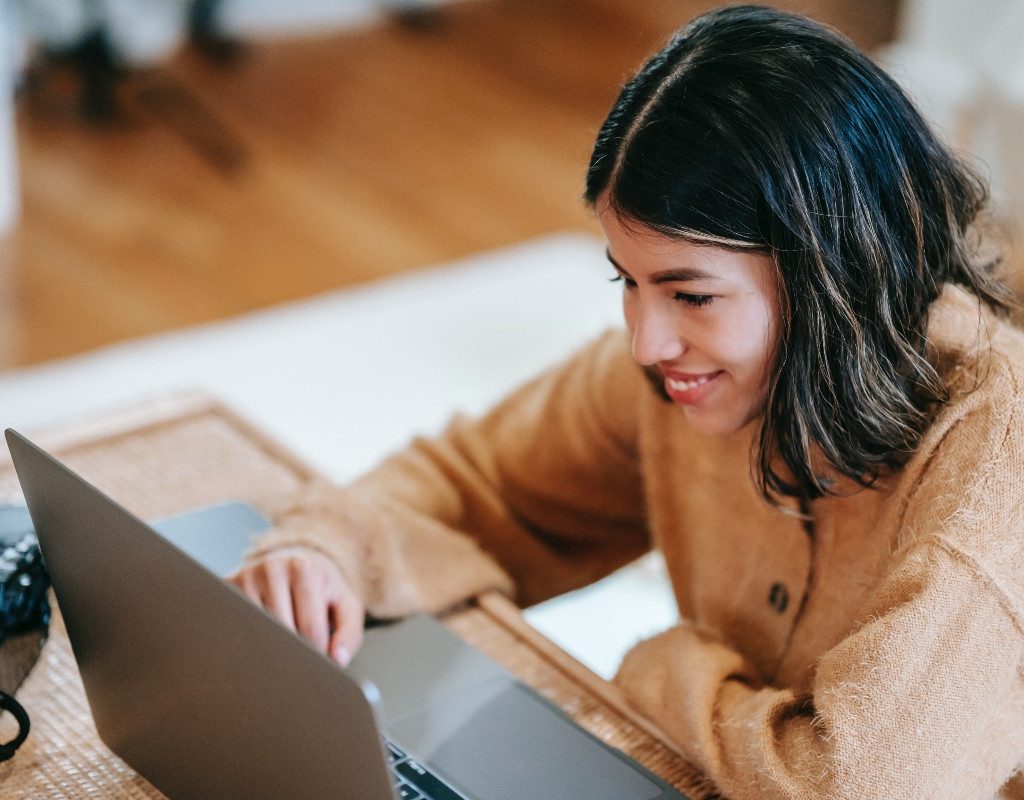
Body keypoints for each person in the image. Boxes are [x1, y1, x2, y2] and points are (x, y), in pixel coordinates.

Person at [230, 6, 1024, 798]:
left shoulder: (997, 452)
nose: (647, 343)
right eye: (628, 281)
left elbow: (856, 788)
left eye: (691, 295)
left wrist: (663, 668)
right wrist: (328, 548)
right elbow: (481, 481)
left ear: (833, 276)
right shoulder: (690, 372)